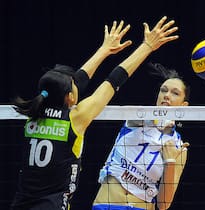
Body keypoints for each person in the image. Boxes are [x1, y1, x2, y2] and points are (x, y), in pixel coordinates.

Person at [10, 16, 179, 210]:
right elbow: (114, 80)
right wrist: (147, 46)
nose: (78, 85)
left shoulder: (33, 113)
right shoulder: (75, 119)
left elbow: (76, 82)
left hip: (20, 203)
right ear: (70, 98)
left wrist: (104, 50)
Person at [92, 62, 190, 210]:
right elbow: (136, 116)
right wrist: (157, 120)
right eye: (163, 91)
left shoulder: (178, 147)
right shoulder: (137, 119)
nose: (167, 96)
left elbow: (163, 205)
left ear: (184, 106)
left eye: (175, 93)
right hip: (108, 204)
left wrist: (170, 161)